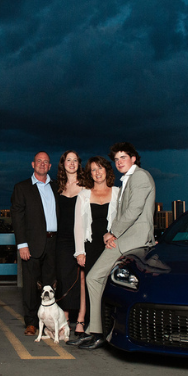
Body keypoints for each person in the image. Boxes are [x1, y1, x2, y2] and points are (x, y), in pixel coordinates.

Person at [80, 142, 157, 349]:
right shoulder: (127, 180)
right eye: (116, 159)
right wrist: (113, 234)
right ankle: (94, 330)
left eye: (123, 157)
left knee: (93, 277)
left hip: (132, 240)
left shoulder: (140, 176)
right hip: (125, 238)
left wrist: (113, 233)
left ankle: (97, 332)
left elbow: (134, 211)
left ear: (133, 158)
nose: (119, 162)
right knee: (100, 279)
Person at [9, 150, 59, 337]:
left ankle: (49, 322)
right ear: (33, 164)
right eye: (39, 161)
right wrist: (22, 244)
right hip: (31, 244)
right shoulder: (22, 188)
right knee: (30, 285)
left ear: (50, 166)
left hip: (54, 243)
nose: (42, 164)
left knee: (50, 285)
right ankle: (31, 323)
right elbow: (17, 217)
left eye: (46, 161)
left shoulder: (57, 187)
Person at [71, 155, 119, 341]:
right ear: (89, 174)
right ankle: (94, 331)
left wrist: (115, 236)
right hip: (91, 247)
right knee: (93, 288)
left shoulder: (118, 193)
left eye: (100, 168)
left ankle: (110, 331)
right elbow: (78, 226)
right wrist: (80, 252)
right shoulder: (84, 195)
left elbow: (124, 220)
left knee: (110, 288)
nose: (97, 172)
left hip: (112, 246)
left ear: (106, 170)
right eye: (93, 170)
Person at [53, 151, 88, 322]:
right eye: (69, 160)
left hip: (81, 236)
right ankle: (65, 317)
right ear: (63, 163)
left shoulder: (86, 185)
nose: (72, 163)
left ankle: (81, 317)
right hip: (63, 238)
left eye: (75, 160)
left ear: (79, 164)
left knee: (81, 278)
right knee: (64, 277)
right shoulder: (58, 186)